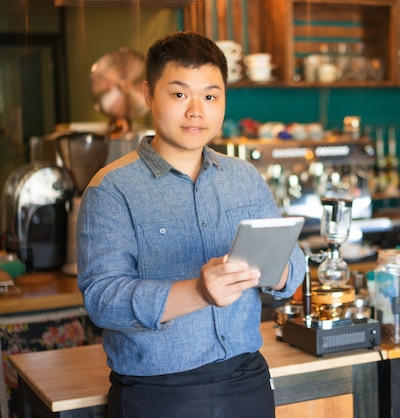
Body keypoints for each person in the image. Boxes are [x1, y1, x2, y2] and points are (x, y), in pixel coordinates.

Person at [76, 31, 306, 418]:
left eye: (211, 96)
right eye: (180, 94)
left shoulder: (244, 178)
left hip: (247, 381)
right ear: (149, 94)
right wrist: (200, 291)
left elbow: (293, 269)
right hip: (158, 394)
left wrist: (275, 268)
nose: (196, 111)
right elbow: (103, 300)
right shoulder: (111, 188)